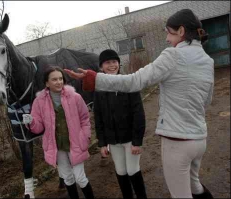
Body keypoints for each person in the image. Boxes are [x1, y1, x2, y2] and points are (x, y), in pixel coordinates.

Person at [65, 9, 214, 199]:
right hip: (199, 139)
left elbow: (134, 81)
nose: (167, 39)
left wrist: (95, 78)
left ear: (181, 31)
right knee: (196, 187)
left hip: (178, 141)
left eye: (168, 32)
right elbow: (207, 101)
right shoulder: (207, 61)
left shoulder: (173, 56)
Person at [22, 66, 95, 199]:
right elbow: (38, 128)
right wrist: (31, 122)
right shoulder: (39, 102)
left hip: (76, 143)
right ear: (46, 83)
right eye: (54, 79)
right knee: (67, 178)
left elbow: (85, 119)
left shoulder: (75, 97)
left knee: (80, 177)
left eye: (60, 79)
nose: (58, 82)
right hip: (57, 147)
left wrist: (85, 136)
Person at [94, 49, 147, 199]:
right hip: (113, 141)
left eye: (114, 62)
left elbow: (139, 114)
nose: (112, 65)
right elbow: (98, 118)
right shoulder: (99, 89)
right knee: (121, 171)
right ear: (101, 67)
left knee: (132, 170)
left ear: (119, 64)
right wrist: (102, 143)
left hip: (130, 139)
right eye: (107, 62)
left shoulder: (128, 83)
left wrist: (137, 141)